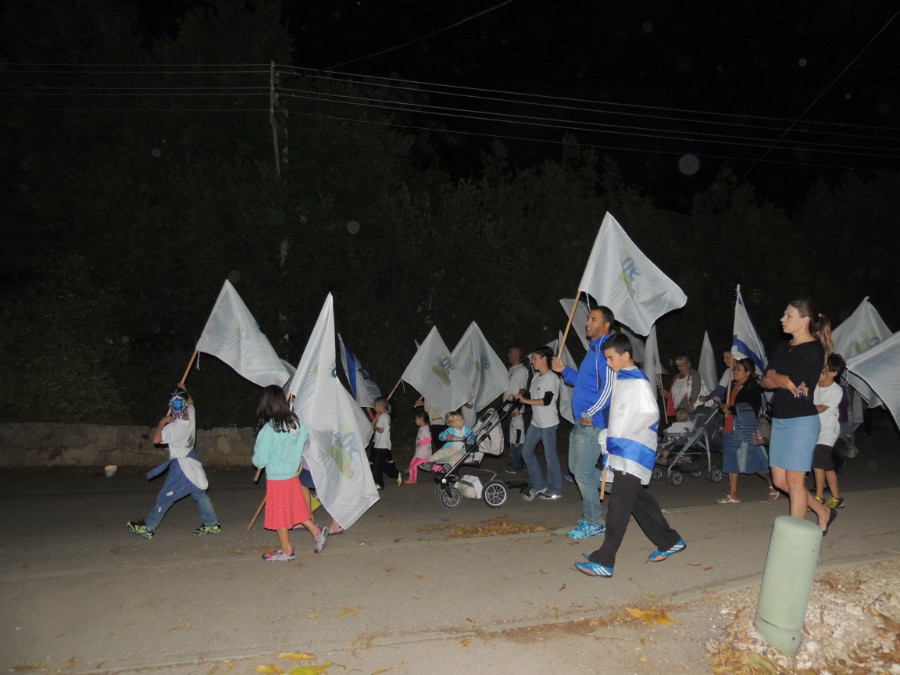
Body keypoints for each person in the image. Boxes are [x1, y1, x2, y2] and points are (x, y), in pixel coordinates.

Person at [575, 333, 685, 578]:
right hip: (622, 449)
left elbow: (649, 414)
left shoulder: (638, 382)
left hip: (632, 451)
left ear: (626, 355)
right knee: (637, 501)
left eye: (611, 357)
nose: (608, 363)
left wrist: (619, 437)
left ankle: (605, 560)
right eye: (606, 358)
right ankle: (670, 541)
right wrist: (610, 435)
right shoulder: (622, 378)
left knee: (619, 506)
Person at [760, 298, 836, 535]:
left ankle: (794, 540)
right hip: (780, 420)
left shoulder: (814, 350)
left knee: (794, 483)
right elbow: (765, 381)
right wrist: (781, 379)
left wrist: (778, 377)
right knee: (780, 481)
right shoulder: (783, 347)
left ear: (804, 320)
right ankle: (822, 511)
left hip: (802, 421)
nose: (782, 320)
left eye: (788, 316)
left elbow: (791, 382)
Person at [552, 306, 614, 541]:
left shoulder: (607, 349)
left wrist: (591, 412)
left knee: (584, 474)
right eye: (588, 318)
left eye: (592, 319)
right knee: (577, 470)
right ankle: (623, 489)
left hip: (592, 422)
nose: (587, 322)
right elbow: (584, 383)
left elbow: (609, 387)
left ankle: (594, 522)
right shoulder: (593, 349)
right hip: (582, 421)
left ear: (606, 324)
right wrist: (564, 370)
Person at [127, 385, 220, 540]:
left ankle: (148, 527)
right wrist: (184, 389)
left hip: (182, 467)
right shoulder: (191, 414)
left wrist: (162, 422)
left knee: (165, 497)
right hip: (193, 461)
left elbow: (156, 440)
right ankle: (211, 524)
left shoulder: (173, 428)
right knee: (199, 493)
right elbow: (191, 402)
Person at [252, 385, 327, 561]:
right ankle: (317, 532)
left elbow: (260, 460)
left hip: (277, 479)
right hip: (292, 475)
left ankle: (287, 551)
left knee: (280, 516)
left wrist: (257, 460)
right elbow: (302, 441)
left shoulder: (269, 430)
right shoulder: (298, 424)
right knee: (296, 510)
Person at [715, 357, 777, 504]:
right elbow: (725, 404)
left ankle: (772, 483)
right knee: (731, 461)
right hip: (730, 427)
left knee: (756, 463)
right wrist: (722, 407)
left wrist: (729, 409)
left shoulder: (752, 388)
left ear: (748, 372)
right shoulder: (732, 385)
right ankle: (734, 494)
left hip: (745, 431)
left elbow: (751, 409)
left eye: (738, 369)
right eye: (735, 369)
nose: (735, 372)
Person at [517, 346, 563, 500]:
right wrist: (519, 397)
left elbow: (546, 400)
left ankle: (555, 489)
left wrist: (526, 400)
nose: (532, 361)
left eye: (535, 358)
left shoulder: (552, 378)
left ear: (544, 359)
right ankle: (539, 485)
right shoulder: (536, 377)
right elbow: (531, 395)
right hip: (536, 422)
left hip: (549, 423)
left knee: (550, 457)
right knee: (526, 451)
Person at [812, 353, 847, 509]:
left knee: (819, 460)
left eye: (824, 370)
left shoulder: (836, 390)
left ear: (834, 373)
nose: (820, 371)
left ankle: (819, 497)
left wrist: (801, 407)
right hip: (814, 428)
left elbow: (820, 408)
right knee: (823, 464)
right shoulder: (814, 386)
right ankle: (836, 497)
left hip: (828, 429)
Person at [503, 347, 529, 470]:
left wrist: (516, 406)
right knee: (506, 434)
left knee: (514, 436)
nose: (508, 355)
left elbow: (522, 389)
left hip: (513, 408)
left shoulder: (522, 370)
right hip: (505, 407)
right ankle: (520, 459)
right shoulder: (511, 370)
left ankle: (518, 460)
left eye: (510, 353)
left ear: (517, 355)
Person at [371, 396, 401, 490]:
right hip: (379, 443)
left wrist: (374, 425)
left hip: (382, 444)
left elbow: (381, 430)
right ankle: (396, 474)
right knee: (381, 464)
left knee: (377, 466)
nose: (374, 408)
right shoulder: (383, 416)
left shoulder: (384, 417)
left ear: (380, 406)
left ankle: (379, 483)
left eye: (375, 406)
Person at [406, 409, 433, 483]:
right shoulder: (423, 428)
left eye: (416, 419)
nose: (415, 421)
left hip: (422, 453)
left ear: (421, 420)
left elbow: (429, 438)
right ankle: (442, 470)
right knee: (428, 465)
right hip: (423, 452)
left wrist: (421, 443)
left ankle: (413, 479)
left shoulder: (424, 429)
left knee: (413, 464)